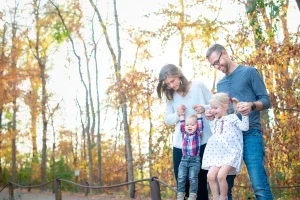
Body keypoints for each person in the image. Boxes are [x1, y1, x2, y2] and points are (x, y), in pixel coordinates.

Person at [205, 44, 273, 200]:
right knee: (222, 184)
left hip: (250, 134)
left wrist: (251, 105)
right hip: (228, 140)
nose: (217, 66)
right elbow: (224, 112)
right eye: (213, 65)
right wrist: (213, 115)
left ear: (224, 53)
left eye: (217, 62)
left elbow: (266, 101)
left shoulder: (249, 72)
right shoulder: (221, 84)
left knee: (259, 184)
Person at [157, 64, 212, 200]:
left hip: (202, 143)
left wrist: (204, 108)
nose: (171, 85)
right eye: (168, 83)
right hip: (181, 146)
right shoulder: (170, 96)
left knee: (200, 185)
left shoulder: (198, 85)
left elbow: (216, 104)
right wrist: (177, 114)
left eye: (172, 81)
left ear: (179, 75)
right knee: (182, 184)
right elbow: (167, 119)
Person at [202, 93, 249, 200]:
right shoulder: (216, 120)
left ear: (225, 107)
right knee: (210, 176)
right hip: (217, 154)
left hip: (231, 152)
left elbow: (245, 127)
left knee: (221, 176)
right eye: (211, 108)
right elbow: (214, 132)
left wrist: (245, 116)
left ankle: (224, 196)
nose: (213, 111)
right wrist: (210, 121)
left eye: (215, 108)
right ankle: (215, 196)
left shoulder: (232, 118)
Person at [177, 110, 204, 200]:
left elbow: (200, 123)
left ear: (196, 126)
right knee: (181, 177)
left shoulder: (198, 133)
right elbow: (181, 124)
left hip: (195, 160)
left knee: (192, 177)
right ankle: (180, 194)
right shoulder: (184, 133)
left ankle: (192, 195)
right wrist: (181, 115)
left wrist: (199, 114)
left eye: (192, 125)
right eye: (187, 125)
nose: (189, 126)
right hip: (183, 160)